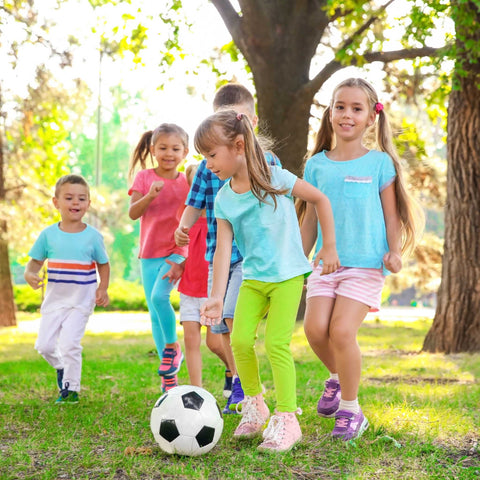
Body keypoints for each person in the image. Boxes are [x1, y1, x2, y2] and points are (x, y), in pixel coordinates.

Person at [196, 109, 339, 453]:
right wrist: (217, 296)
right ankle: (256, 406)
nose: (207, 164)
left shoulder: (279, 178)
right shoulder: (224, 198)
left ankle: (288, 419)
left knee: (276, 344)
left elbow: (320, 198)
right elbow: (222, 250)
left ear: (239, 145)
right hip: (253, 279)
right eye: (203, 157)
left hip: (288, 276)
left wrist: (329, 245)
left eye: (212, 155)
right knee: (241, 340)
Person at [299, 77, 424, 441]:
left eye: (356, 108)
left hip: (366, 264)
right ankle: (337, 378)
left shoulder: (379, 164)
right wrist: (296, 258)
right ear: (330, 113)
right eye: (340, 107)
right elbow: (308, 219)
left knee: (340, 331)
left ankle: (352, 410)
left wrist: (395, 251)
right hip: (325, 264)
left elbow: (390, 215)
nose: (347, 115)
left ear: (371, 118)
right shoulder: (317, 165)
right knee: (314, 329)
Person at [175, 83, 281, 413]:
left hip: (251, 256)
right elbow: (195, 202)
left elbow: (283, 201)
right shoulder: (209, 167)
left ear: (253, 121)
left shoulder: (268, 160)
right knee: (218, 330)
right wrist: (183, 226)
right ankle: (238, 379)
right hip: (219, 257)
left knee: (233, 317)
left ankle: (247, 390)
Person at [24, 174, 110, 404]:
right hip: (54, 301)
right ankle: (62, 367)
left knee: (70, 343)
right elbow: (34, 262)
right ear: (56, 202)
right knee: (44, 346)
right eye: (69, 197)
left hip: (81, 301)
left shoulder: (93, 237)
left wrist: (103, 288)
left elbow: (103, 264)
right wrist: (29, 274)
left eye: (81, 199)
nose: (75, 203)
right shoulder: (48, 235)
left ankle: (70, 390)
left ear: (88, 204)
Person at [128, 123, 190, 392]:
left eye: (175, 148)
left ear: (185, 152)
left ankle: (173, 348)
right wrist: (151, 196)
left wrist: (184, 256)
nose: (169, 153)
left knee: (159, 297)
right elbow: (133, 213)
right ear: (153, 150)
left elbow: (194, 215)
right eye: (163, 148)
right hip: (148, 254)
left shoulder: (187, 181)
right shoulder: (144, 178)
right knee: (154, 313)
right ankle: (169, 375)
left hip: (175, 251)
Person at [177, 162, 220, 388]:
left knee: (215, 342)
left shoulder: (219, 218)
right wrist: (177, 265)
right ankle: (197, 389)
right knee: (190, 340)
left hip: (212, 289)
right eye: (196, 183)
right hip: (189, 288)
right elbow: (182, 249)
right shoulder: (186, 218)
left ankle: (235, 373)